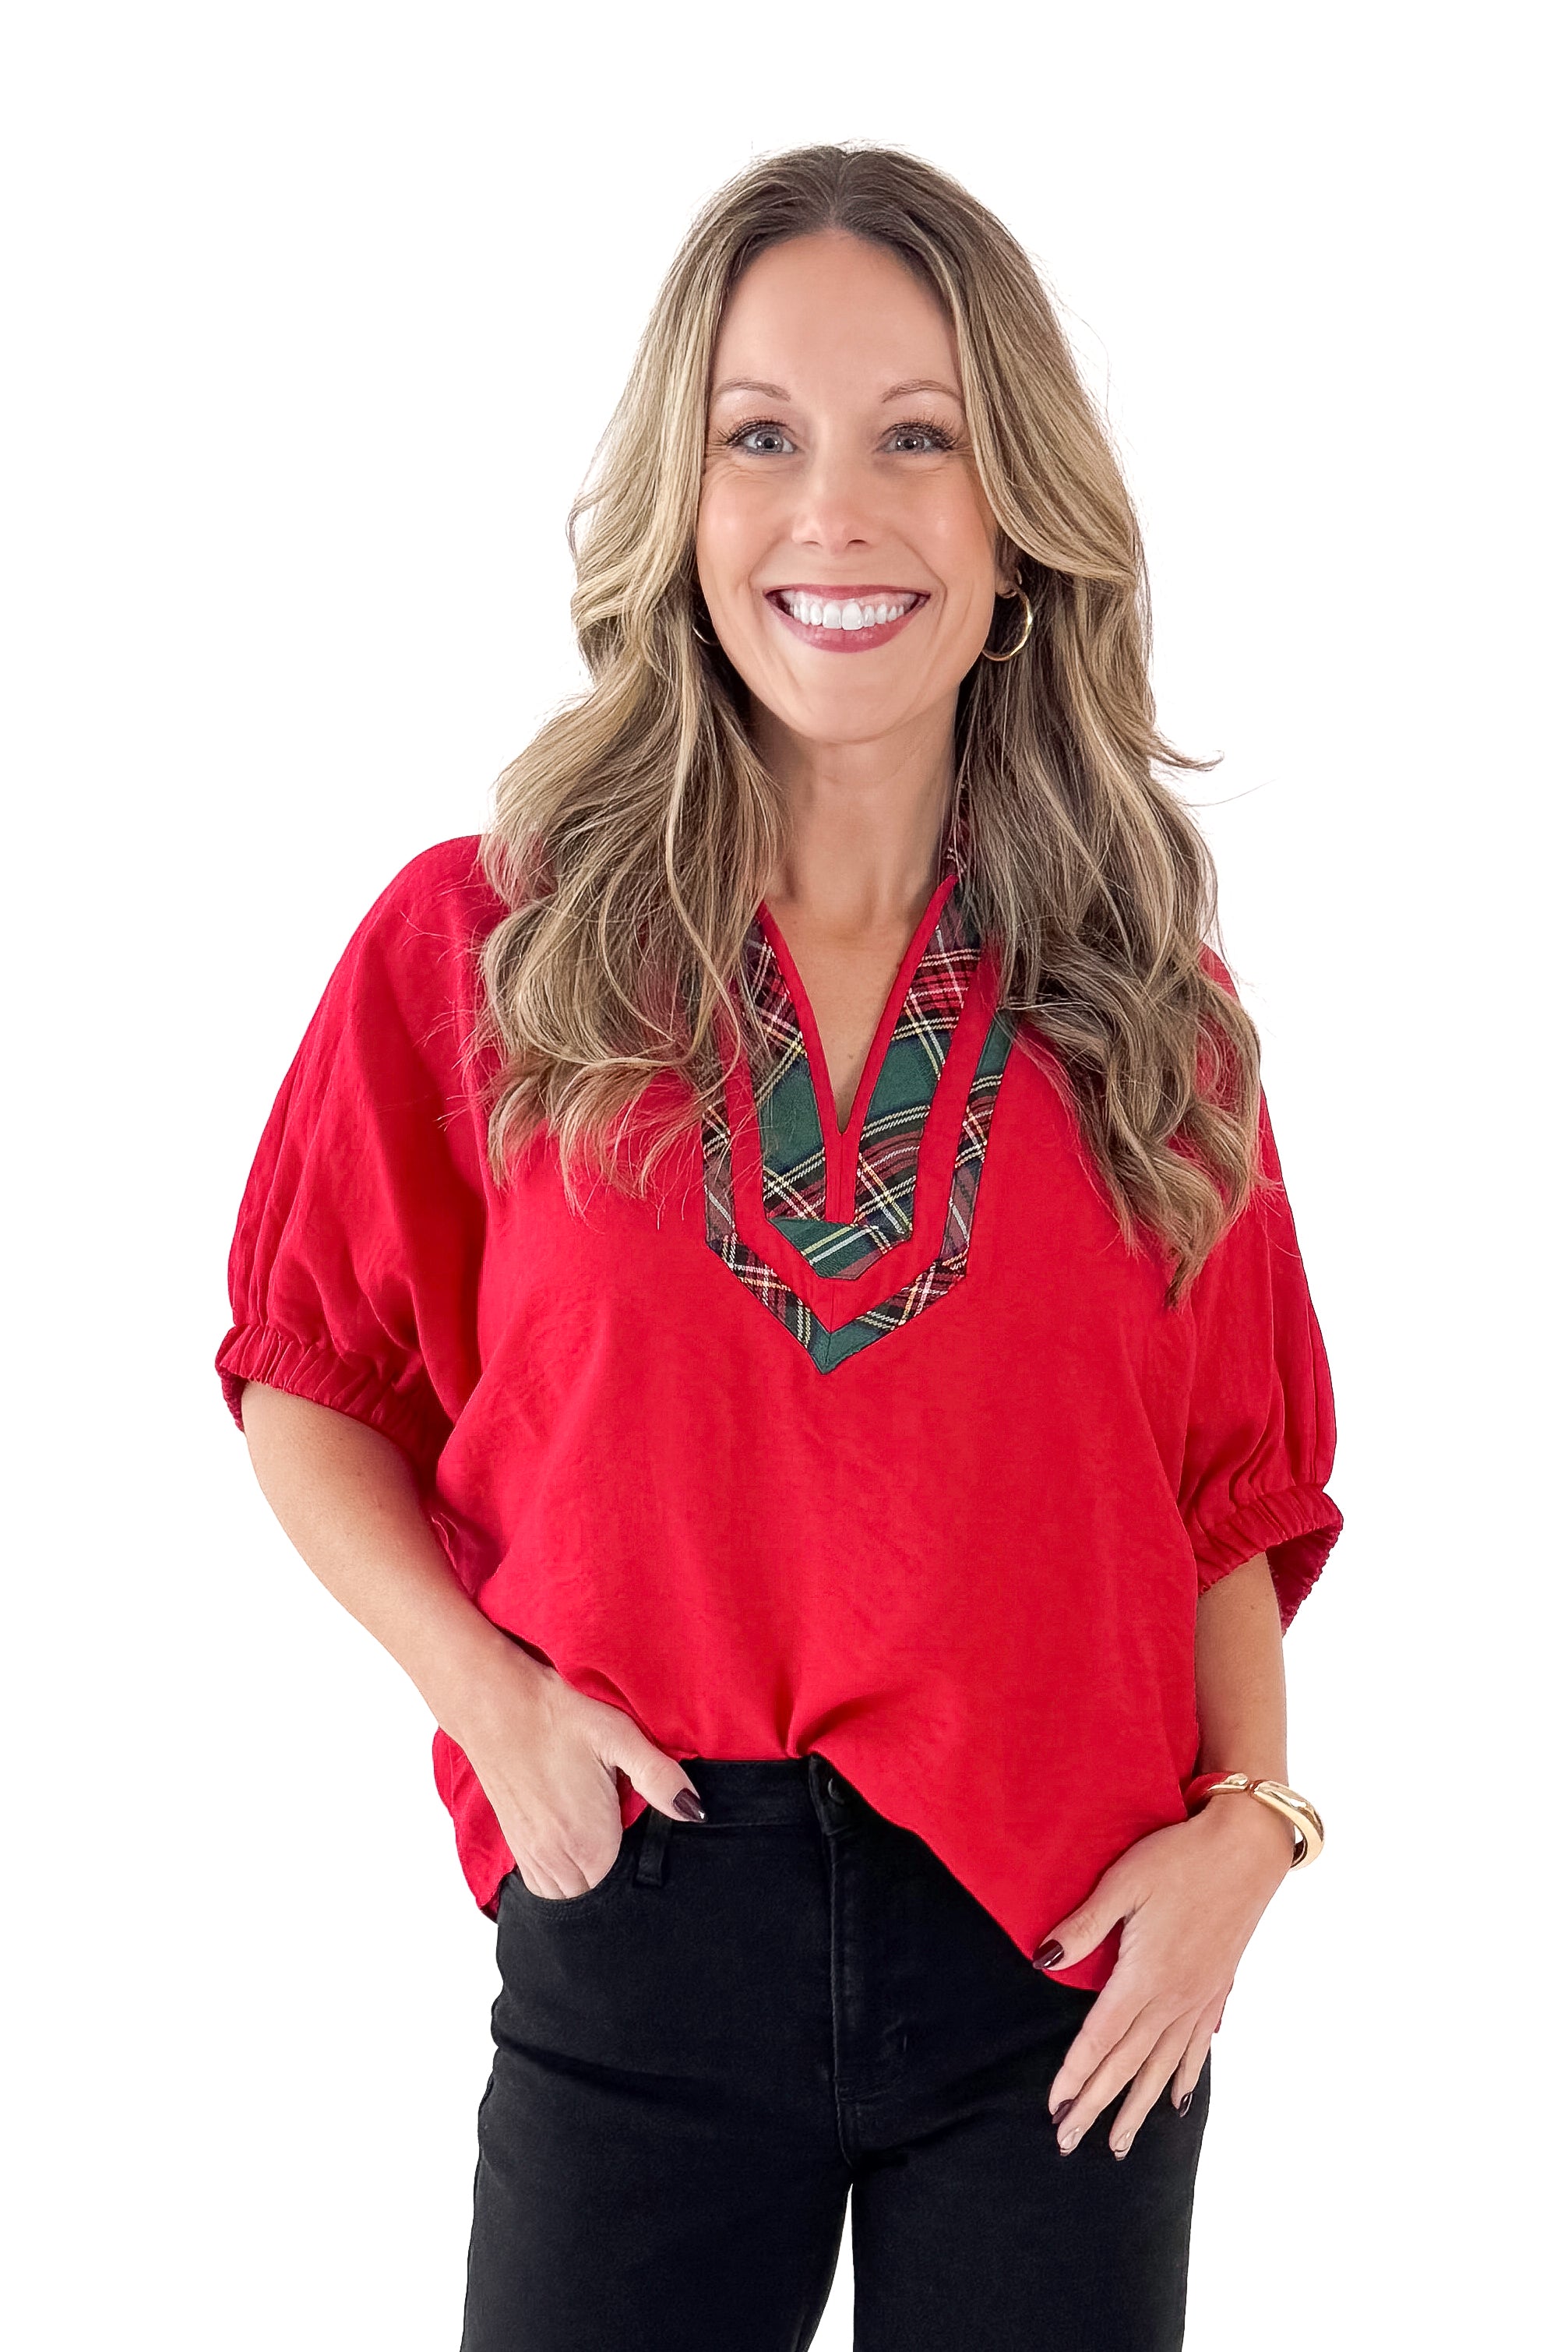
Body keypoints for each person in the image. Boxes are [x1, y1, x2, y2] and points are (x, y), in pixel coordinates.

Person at [217, 142, 1341, 2352]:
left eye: (917, 436)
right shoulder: (490, 948)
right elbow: (308, 1374)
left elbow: (1223, 1490)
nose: (837, 511)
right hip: (639, 1920)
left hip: (1058, 1971)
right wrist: (495, 1710)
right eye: (762, 437)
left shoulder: (1146, 1014)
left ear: (1017, 520)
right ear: (685, 501)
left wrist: (1255, 1830)